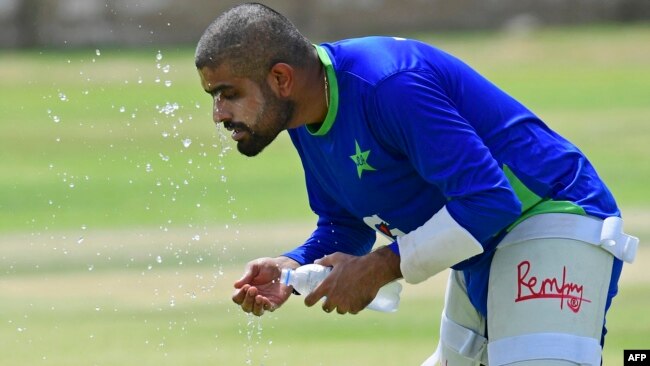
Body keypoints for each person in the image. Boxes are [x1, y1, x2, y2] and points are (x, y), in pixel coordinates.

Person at [194, 3, 638, 365]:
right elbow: (343, 221)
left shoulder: (389, 84)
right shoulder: (302, 116)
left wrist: (380, 266)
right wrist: (291, 269)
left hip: (552, 215)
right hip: (481, 246)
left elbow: (490, 200)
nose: (218, 114)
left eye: (227, 93)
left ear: (281, 79)